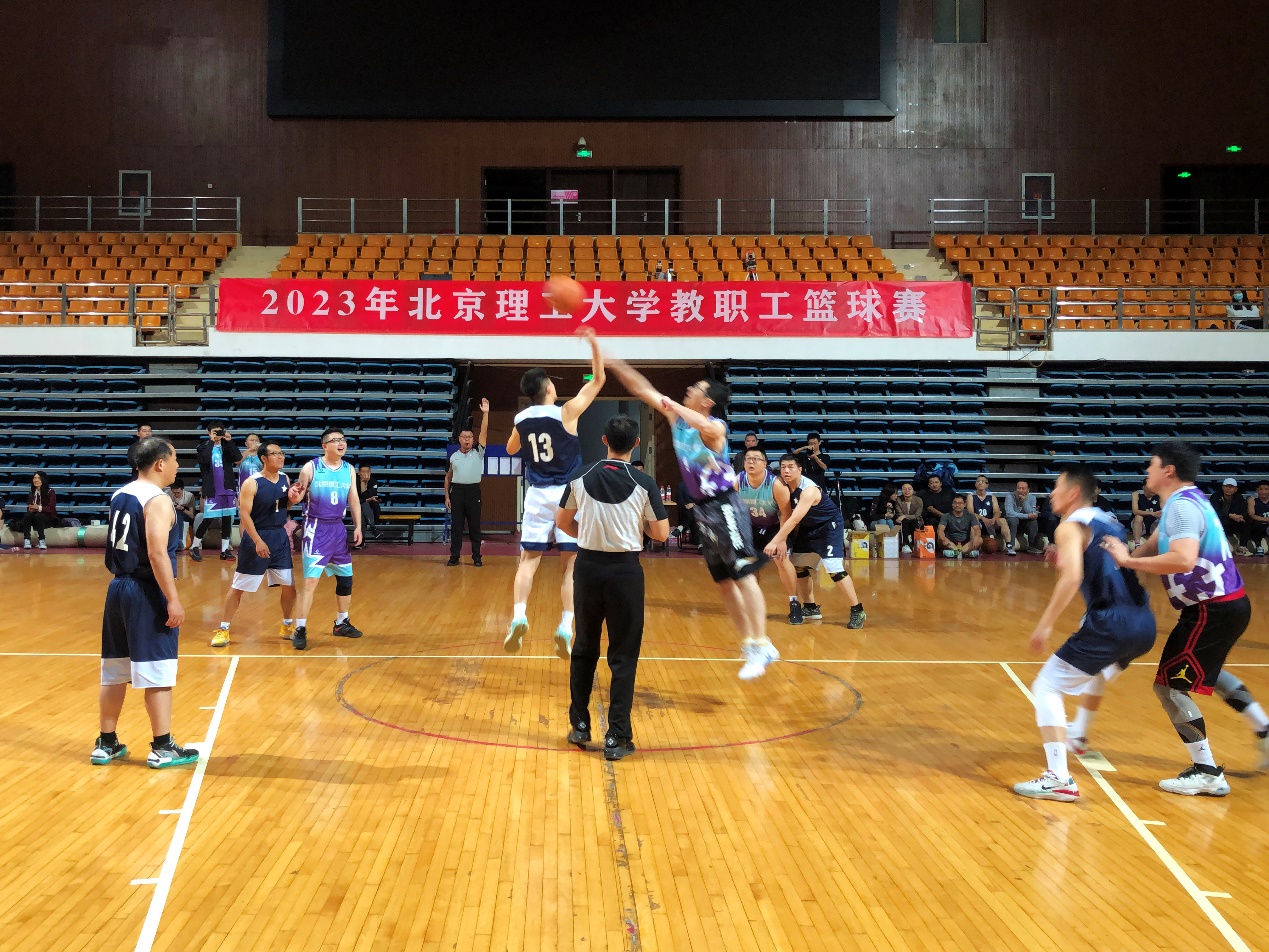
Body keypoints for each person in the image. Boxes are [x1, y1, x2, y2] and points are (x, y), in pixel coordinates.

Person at [1104, 441, 1269, 795]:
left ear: (1168, 471)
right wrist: (1123, 564)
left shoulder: (1180, 507)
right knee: (1208, 670)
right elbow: (1155, 543)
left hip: (1212, 609)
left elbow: (1183, 559)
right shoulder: (1185, 501)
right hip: (1226, 606)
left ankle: (1207, 771)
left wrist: (1128, 561)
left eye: (1151, 465)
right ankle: (1264, 731)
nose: (1146, 471)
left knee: (1169, 686)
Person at [604, 346, 779, 678]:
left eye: (696, 387)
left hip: (725, 505)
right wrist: (615, 363)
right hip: (703, 511)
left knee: (743, 574)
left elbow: (701, 424)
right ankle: (750, 644)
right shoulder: (678, 420)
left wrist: (673, 405)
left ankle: (762, 642)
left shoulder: (715, 428)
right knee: (724, 583)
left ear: (707, 401)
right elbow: (642, 388)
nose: (689, 388)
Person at [1012, 464, 1156, 803]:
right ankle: (1078, 734)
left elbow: (1072, 577)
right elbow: (1103, 562)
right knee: (1097, 671)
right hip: (1144, 624)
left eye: (1056, 487)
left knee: (1046, 686)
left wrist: (1045, 623)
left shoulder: (1068, 526)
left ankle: (1059, 778)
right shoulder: (1109, 521)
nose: (1051, 493)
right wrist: (1064, 554)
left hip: (1111, 623)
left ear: (1073, 493)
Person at [557, 416, 670, 761]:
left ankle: (580, 724)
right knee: (623, 655)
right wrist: (636, 527)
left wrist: (591, 535)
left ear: (604, 439)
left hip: (587, 569)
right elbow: (661, 533)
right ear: (636, 443)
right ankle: (617, 736)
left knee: (584, 647)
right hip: (625, 572)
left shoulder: (579, 477)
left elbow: (562, 522)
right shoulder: (644, 482)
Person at [92, 436, 198, 769]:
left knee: (115, 670)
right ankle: (163, 747)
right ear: (160, 463)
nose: (178, 465)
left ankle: (106, 743)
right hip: (146, 591)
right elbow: (156, 553)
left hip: (117, 588)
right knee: (158, 671)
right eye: (175, 459)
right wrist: (173, 599)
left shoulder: (120, 494)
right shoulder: (158, 500)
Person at [505, 330, 605, 659]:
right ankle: (565, 626)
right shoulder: (566, 412)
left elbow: (511, 449)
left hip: (536, 494)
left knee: (528, 561)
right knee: (571, 564)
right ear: (549, 388)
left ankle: (519, 617)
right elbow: (598, 380)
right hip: (567, 495)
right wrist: (594, 344)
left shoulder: (521, 418)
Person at [211, 440, 296, 648]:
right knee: (238, 587)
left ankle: (287, 625)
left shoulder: (285, 478)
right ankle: (223, 629)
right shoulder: (252, 482)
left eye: (281, 453)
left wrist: (293, 499)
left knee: (289, 585)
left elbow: (284, 507)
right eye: (275, 454)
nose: (280, 456)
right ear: (263, 458)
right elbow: (245, 515)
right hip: (257, 536)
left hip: (279, 536)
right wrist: (257, 541)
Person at [766, 454, 866, 629]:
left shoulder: (809, 490)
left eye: (791, 467)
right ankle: (810, 607)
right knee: (798, 566)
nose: (786, 470)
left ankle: (857, 610)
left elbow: (794, 519)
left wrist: (776, 540)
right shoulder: (782, 485)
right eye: (783, 467)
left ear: (800, 470)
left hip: (828, 527)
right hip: (808, 527)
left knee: (834, 569)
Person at [287, 426, 363, 651]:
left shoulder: (349, 469)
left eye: (343, 439)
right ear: (324, 446)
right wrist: (294, 495)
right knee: (311, 582)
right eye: (336, 440)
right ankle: (300, 628)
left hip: (338, 529)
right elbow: (299, 497)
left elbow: (354, 498)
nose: (341, 443)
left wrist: (358, 526)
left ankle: (341, 623)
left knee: (346, 578)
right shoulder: (311, 467)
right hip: (316, 529)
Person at [737, 446, 803, 624]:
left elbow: (786, 514)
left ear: (765, 464)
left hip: (774, 527)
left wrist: (781, 540)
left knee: (782, 559)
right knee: (749, 565)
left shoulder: (776, 485)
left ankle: (794, 603)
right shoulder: (738, 481)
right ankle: (752, 605)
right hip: (750, 527)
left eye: (755, 459)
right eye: (748, 458)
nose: (751, 462)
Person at [445, 398, 490, 567]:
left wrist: (486, 413)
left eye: (470, 437)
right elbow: (448, 477)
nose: (467, 439)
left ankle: (477, 557)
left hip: (473, 492)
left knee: (474, 527)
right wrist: (446, 496)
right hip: (456, 492)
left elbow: (483, 433)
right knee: (456, 527)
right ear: (459, 439)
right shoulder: (453, 456)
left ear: (473, 439)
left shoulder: (478, 452)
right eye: (464, 437)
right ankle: (454, 557)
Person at [190, 423, 242, 562]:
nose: (217, 434)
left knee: (227, 519)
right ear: (209, 433)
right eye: (214, 432)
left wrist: (229, 441)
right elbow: (204, 460)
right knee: (208, 518)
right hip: (213, 489)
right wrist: (212, 442)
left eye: (219, 432)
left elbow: (238, 458)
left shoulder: (226, 446)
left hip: (228, 488)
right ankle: (194, 546)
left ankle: (224, 550)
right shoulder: (203, 447)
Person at [967, 475, 1015, 555]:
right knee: (973, 520)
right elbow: (970, 512)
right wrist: (983, 518)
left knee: (1002, 520)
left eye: (983, 481)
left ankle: (1009, 546)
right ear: (975, 484)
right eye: (978, 481)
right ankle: (974, 547)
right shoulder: (971, 496)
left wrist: (994, 519)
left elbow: (997, 511)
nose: (980, 483)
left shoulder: (992, 497)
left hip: (989, 522)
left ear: (987, 485)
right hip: (978, 521)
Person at [12, 471, 61, 549]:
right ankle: (27, 539)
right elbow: (29, 505)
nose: (36, 480)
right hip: (35, 516)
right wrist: (31, 508)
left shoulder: (50, 492)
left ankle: (42, 540)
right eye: (34, 478)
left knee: (39, 516)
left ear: (43, 480)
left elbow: (51, 509)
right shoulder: (32, 492)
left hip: (48, 518)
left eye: (38, 478)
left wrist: (38, 508)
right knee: (27, 515)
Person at [1211, 477, 1250, 556]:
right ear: (1222, 487)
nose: (1228, 489)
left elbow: (1243, 511)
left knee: (1247, 520)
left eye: (1231, 487)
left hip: (1233, 522)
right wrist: (1230, 515)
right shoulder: (1215, 496)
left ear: (1235, 489)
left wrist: (1240, 516)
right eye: (1226, 486)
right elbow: (1215, 512)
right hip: (1219, 521)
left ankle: (1242, 546)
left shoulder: (1239, 498)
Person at [1004, 480, 1042, 554]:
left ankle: (1032, 546)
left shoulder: (1032, 498)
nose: (1020, 490)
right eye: (1018, 488)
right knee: (1013, 520)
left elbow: (1032, 513)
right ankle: (1011, 546)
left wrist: (1025, 502)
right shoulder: (1010, 496)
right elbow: (1009, 513)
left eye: (1023, 488)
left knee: (1033, 522)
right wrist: (1027, 516)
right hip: (1013, 519)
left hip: (1024, 521)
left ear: (1028, 490)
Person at [1129, 479, 1161, 549]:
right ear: (1144, 487)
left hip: (1154, 521)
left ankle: (1162, 543)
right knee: (1138, 517)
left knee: (1165, 518)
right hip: (1140, 522)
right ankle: (1137, 544)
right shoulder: (1136, 494)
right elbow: (1135, 511)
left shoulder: (1159, 494)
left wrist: (1161, 513)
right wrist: (1151, 513)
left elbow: (1164, 509)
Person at [167, 478, 196, 551]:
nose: (176, 494)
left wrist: (182, 508)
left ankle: (180, 540)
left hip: (185, 515)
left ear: (182, 489)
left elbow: (192, 515)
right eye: (174, 493)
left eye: (178, 493)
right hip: (170, 515)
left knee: (178, 514)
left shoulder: (189, 496)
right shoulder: (167, 494)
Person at [356, 464, 381, 545]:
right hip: (358, 507)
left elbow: (370, 495)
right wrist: (362, 484)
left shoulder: (373, 482)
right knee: (362, 509)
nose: (365, 474)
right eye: (363, 472)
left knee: (363, 507)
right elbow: (355, 498)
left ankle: (361, 541)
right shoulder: (354, 482)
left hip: (372, 508)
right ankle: (373, 527)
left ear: (370, 473)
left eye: (367, 472)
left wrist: (366, 499)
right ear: (359, 473)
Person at [895, 482, 923, 553]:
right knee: (905, 521)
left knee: (914, 522)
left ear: (913, 490)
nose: (907, 491)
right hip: (903, 521)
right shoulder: (898, 500)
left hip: (916, 520)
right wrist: (903, 517)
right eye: (904, 489)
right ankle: (905, 544)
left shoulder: (918, 500)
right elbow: (899, 514)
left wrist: (905, 516)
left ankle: (915, 544)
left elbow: (917, 515)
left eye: (909, 489)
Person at [1247, 480, 1269, 556]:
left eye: (1266, 489)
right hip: (1258, 525)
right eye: (1261, 489)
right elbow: (1252, 515)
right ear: (1257, 490)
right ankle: (1258, 546)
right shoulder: (1252, 500)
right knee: (1254, 523)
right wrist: (1266, 519)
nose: (1264, 492)